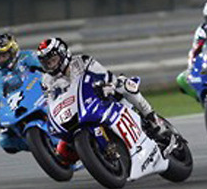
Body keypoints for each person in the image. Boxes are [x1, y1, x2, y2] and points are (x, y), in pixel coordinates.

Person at [36, 37, 169, 164]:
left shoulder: (82, 61)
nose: (50, 66)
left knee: (125, 85)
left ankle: (152, 117)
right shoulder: (47, 81)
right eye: (46, 63)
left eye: (53, 60)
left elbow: (105, 74)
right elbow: (51, 102)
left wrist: (109, 85)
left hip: (99, 97)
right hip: (77, 113)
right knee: (62, 154)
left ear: (63, 54)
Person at [0, 32, 42, 153]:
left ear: (13, 51)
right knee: (5, 141)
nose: (1, 60)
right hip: (20, 102)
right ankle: (40, 147)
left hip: (43, 92)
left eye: (4, 55)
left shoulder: (28, 57)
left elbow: (48, 70)